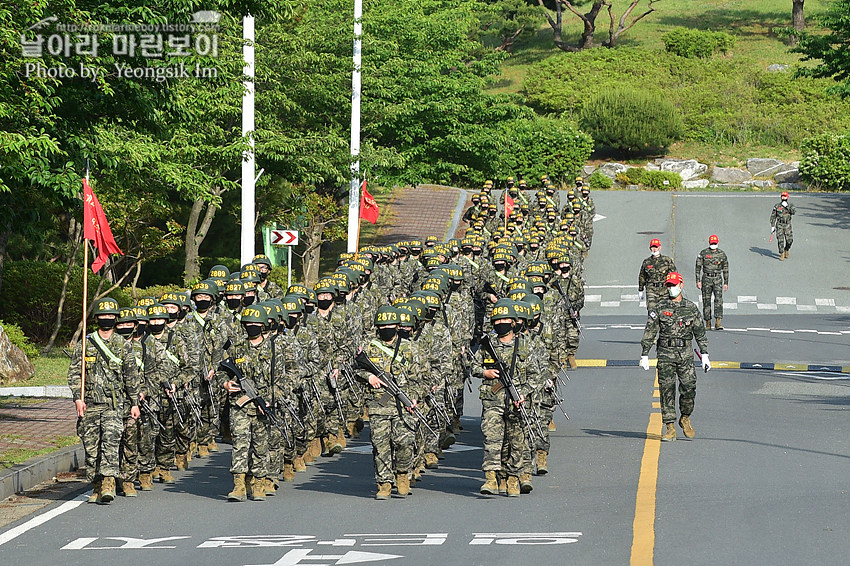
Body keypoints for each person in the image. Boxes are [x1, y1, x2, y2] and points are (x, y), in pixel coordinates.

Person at [67, 297, 140, 504]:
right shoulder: (85, 344)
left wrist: (134, 402)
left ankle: (109, 482)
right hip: (89, 404)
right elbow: (74, 374)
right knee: (91, 449)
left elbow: (131, 376)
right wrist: (77, 398)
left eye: (110, 316)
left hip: (113, 405)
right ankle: (97, 485)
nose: (106, 319)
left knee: (111, 442)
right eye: (103, 316)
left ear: (115, 319)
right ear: (97, 318)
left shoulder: (122, 345)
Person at [472, 298, 543, 497]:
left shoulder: (525, 345)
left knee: (516, 442)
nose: (500, 324)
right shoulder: (487, 345)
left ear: (513, 322)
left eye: (505, 320)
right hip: (493, 401)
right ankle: (491, 479)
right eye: (497, 321)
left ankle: (513, 479)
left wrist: (524, 392)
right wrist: (484, 373)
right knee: (492, 440)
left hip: (517, 402)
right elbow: (473, 366)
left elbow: (536, 375)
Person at [639, 272, 710, 442]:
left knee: (689, 388)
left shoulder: (691, 308)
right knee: (666, 390)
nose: (671, 288)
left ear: (681, 285)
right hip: (665, 354)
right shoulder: (660, 307)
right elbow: (650, 330)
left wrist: (705, 354)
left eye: (674, 285)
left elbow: (700, 332)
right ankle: (669, 427)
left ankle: (685, 417)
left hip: (685, 354)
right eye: (669, 286)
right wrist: (644, 354)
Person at [695, 234, 729, 330]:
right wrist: (698, 280)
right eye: (712, 243)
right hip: (706, 278)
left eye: (714, 243)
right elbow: (698, 267)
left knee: (718, 300)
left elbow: (725, 268)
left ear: (717, 243)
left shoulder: (722, 254)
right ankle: (708, 323)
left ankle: (718, 322)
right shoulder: (703, 253)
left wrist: (726, 282)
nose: (713, 244)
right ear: (709, 243)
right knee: (706, 301)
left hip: (717, 278)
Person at [638, 238, 677, 313]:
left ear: (660, 247)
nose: (654, 249)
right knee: (652, 312)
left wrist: (674, 288)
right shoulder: (647, 262)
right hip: (651, 290)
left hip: (664, 290)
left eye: (656, 247)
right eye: (652, 247)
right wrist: (640, 289)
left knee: (664, 313)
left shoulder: (667, 260)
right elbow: (642, 276)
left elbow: (674, 274)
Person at [770, 191, 795, 260]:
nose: (783, 197)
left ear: (787, 197)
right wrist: (772, 226)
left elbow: (793, 212)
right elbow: (773, 216)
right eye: (782, 196)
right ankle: (782, 254)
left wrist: (787, 206)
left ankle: (786, 249)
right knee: (780, 240)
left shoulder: (790, 205)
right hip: (780, 225)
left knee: (790, 240)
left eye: (785, 196)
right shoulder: (777, 206)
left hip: (787, 224)